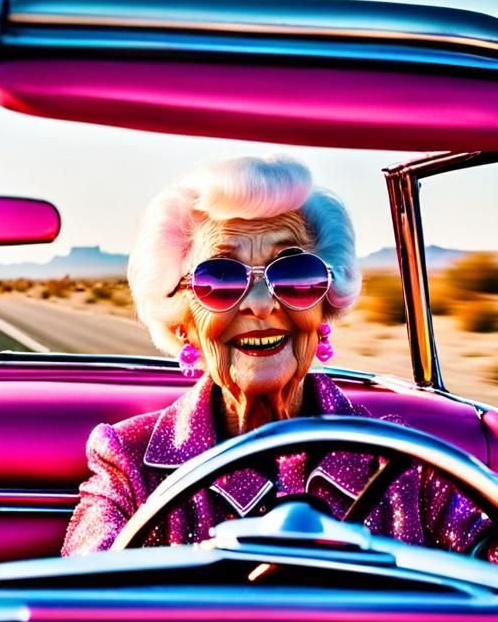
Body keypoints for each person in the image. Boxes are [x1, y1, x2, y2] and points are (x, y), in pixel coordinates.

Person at [63, 155, 497, 561]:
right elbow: (81, 609)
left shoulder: (404, 463)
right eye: (220, 279)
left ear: (326, 305)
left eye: (295, 275)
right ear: (182, 321)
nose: (261, 304)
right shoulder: (129, 464)